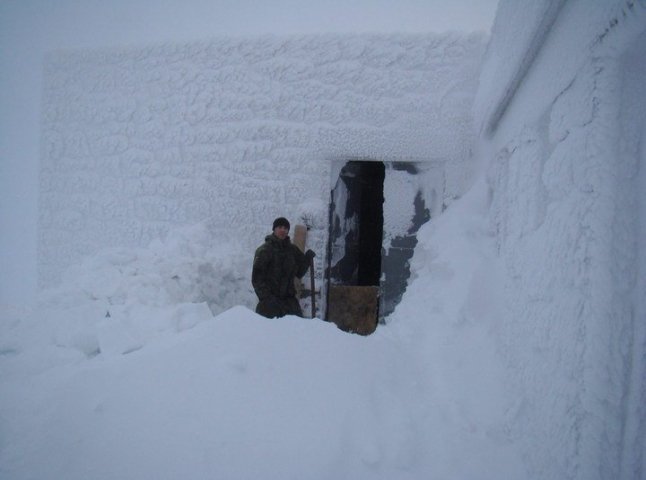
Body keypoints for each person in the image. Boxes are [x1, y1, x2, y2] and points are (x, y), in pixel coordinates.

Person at [252, 217, 316, 318]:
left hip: (289, 303)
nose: (283, 230)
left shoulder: (292, 250)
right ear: (274, 229)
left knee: (298, 330)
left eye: (286, 228)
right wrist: (267, 298)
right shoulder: (264, 250)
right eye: (280, 227)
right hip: (269, 303)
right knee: (268, 332)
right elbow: (257, 279)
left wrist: (307, 259)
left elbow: (299, 273)